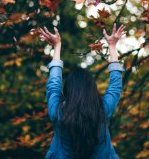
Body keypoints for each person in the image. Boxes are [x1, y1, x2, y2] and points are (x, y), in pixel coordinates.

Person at [38, 24, 126, 159]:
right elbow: (115, 86)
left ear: (68, 90)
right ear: (92, 90)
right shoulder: (102, 111)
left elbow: (53, 85)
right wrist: (112, 47)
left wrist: (57, 46)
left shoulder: (57, 113)